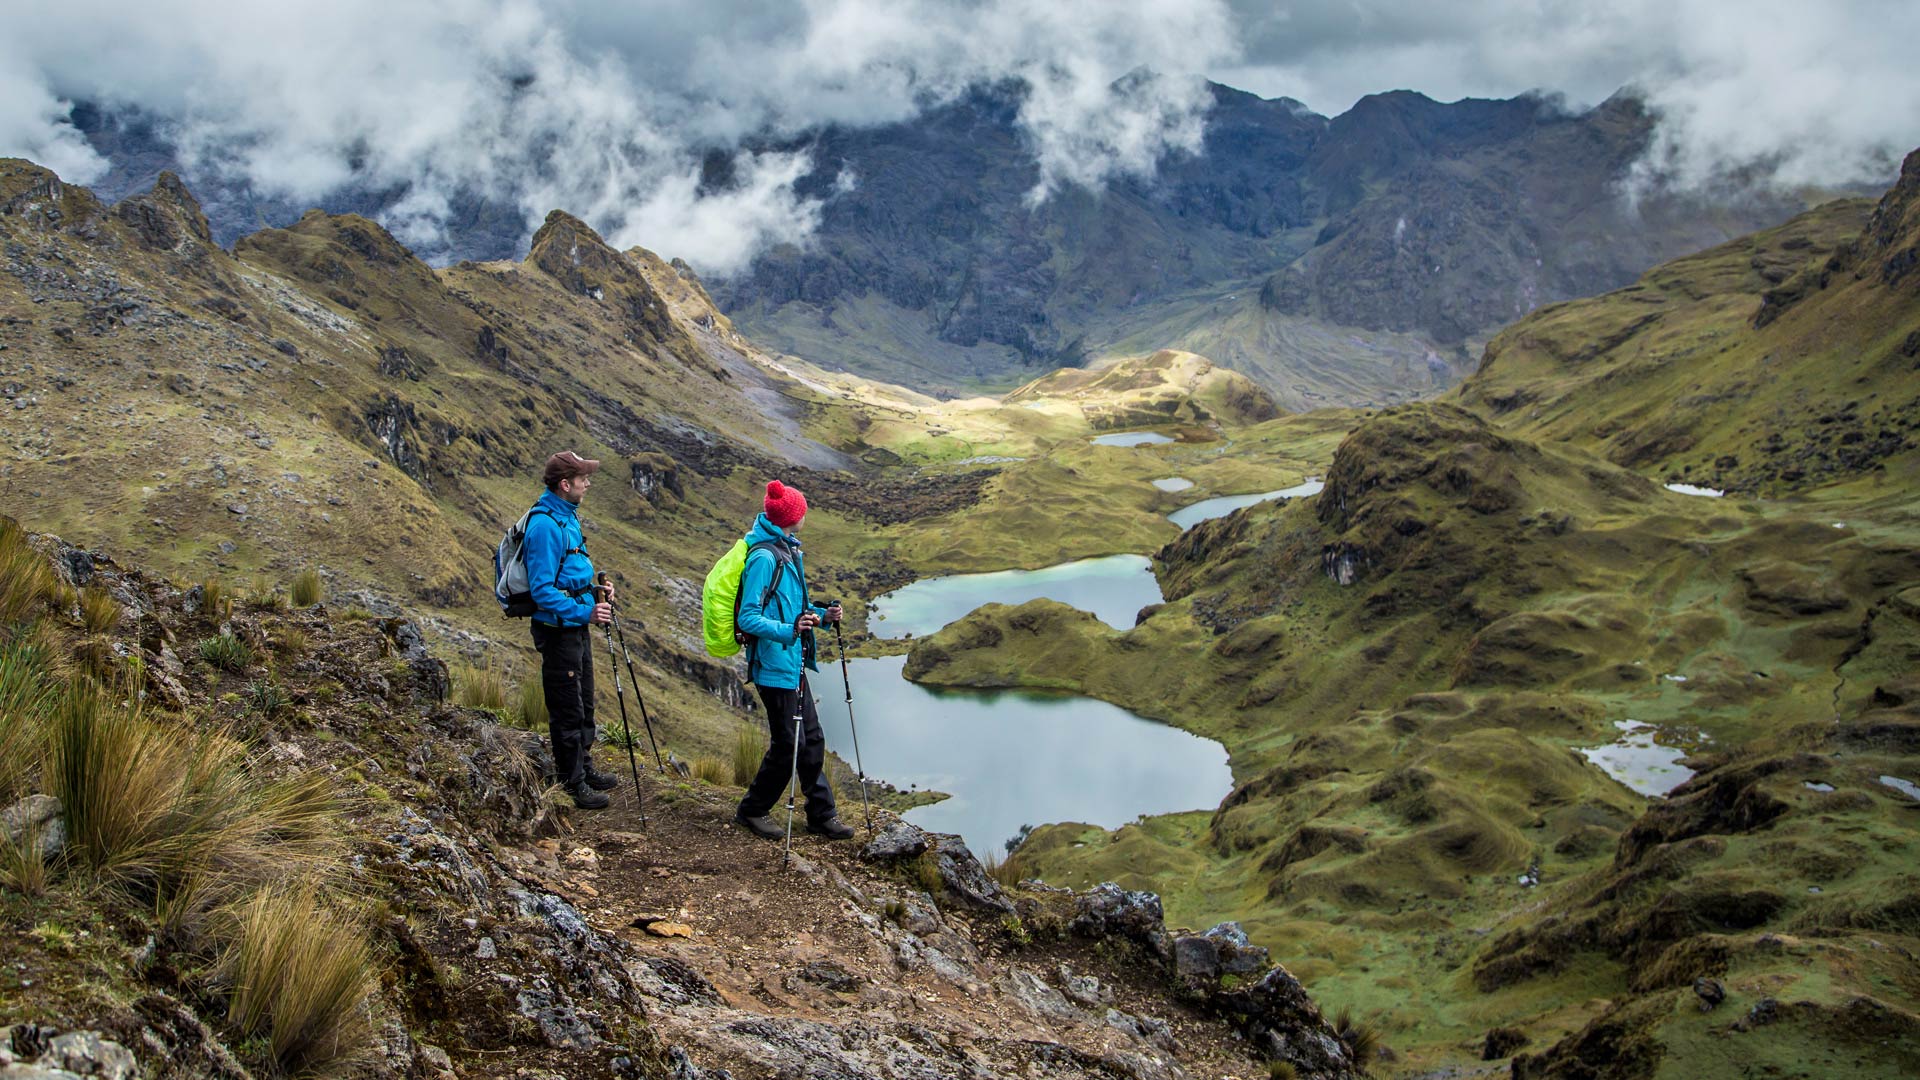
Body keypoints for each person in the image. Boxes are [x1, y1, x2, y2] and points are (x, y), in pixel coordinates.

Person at [733, 480, 855, 840]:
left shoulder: (788, 550)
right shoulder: (764, 557)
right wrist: (790, 630)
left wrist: (822, 615)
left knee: (811, 739)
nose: (806, 515)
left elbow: (793, 610)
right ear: (792, 517)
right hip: (773, 666)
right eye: (802, 510)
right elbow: (748, 618)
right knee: (789, 745)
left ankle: (821, 814)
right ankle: (752, 810)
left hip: (792, 664)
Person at [524, 450, 619, 810]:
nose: (588, 484)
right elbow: (542, 590)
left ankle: (584, 766)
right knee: (567, 707)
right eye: (583, 479)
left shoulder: (567, 516)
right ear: (566, 484)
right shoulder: (545, 526)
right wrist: (586, 612)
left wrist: (597, 592)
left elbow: (572, 570)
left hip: (576, 623)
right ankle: (572, 782)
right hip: (558, 630)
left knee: (584, 701)